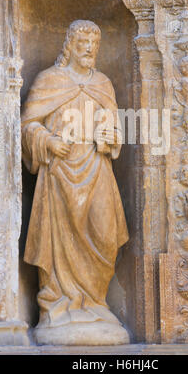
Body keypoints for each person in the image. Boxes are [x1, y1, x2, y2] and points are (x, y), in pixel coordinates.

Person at [21, 20, 129, 345]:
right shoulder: (49, 80)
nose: (88, 49)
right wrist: (47, 141)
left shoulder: (103, 84)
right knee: (59, 240)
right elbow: (27, 126)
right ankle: (59, 302)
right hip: (58, 174)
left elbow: (117, 133)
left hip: (96, 170)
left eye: (93, 45)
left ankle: (95, 302)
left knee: (106, 234)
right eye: (82, 42)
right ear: (69, 45)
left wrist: (110, 137)